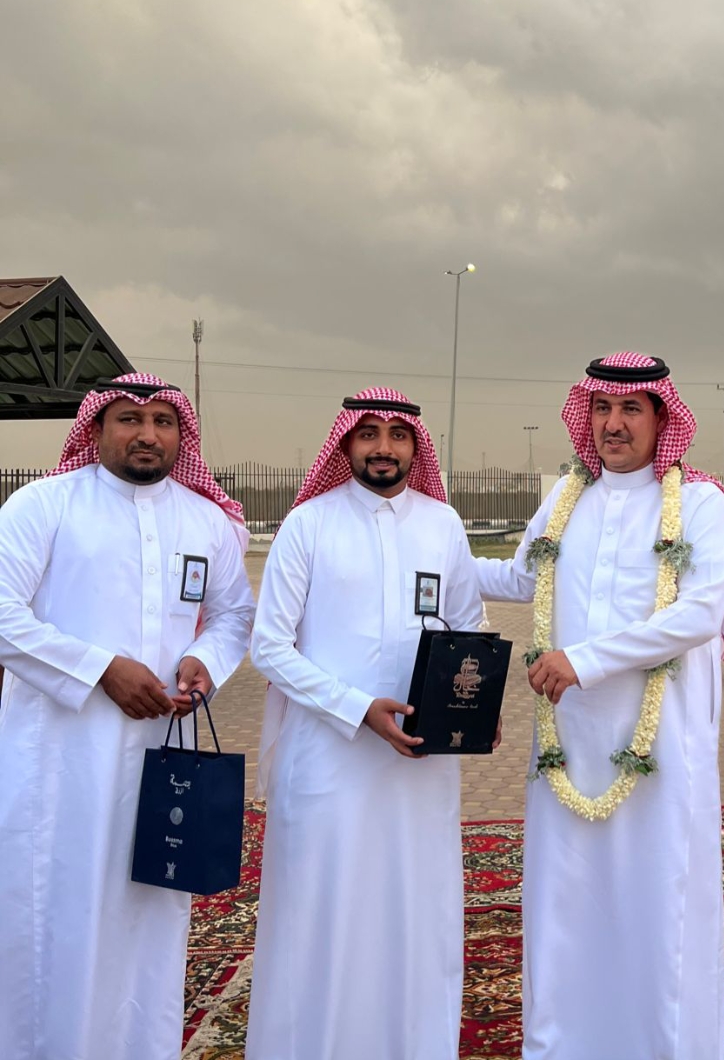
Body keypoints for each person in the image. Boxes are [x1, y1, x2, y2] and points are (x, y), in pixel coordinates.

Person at [475, 353, 724, 1060]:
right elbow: (520, 577)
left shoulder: (699, 502)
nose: (613, 423)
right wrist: (430, 554)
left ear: (662, 418)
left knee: (658, 898)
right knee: (565, 898)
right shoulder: (567, 498)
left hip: (661, 741)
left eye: (631, 408)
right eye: (601, 408)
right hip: (568, 737)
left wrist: (585, 660)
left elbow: (699, 613)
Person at [0, 372, 255, 1060]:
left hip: (161, 758)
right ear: (96, 428)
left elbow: (234, 614)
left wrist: (204, 659)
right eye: (130, 419)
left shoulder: (205, 520)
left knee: (149, 919)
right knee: (55, 916)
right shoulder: (44, 505)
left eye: (162, 421)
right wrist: (100, 669)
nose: (147, 434)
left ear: (181, 435)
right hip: (60, 761)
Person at [245, 388, 484, 1060]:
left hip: (419, 768)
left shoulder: (443, 524)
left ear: (415, 446)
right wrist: (357, 708)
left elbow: (469, 633)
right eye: (369, 433)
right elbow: (269, 647)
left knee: (415, 911)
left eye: (398, 434)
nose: (384, 447)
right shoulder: (308, 524)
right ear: (347, 442)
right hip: (326, 762)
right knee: (322, 913)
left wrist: (476, 710)